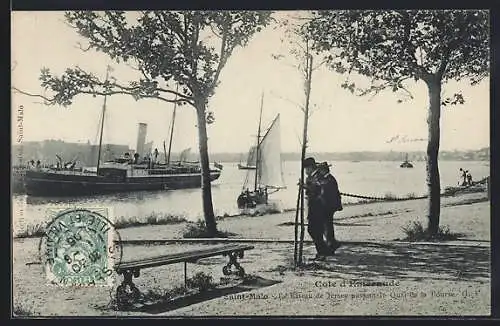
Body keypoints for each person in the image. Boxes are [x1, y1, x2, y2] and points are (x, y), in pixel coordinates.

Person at [303, 157, 342, 261]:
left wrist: (307, 188)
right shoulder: (313, 177)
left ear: (310, 167)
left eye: (306, 169)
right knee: (318, 230)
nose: (305, 171)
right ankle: (325, 249)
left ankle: (324, 250)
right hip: (315, 207)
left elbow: (321, 190)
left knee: (316, 230)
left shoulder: (320, 177)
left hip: (319, 207)